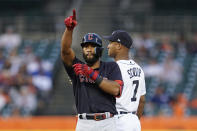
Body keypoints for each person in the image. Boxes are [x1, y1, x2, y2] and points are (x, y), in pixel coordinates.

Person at [61, 9, 123, 131]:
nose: (88, 49)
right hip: (84, 124)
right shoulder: (77, 68)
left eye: (92, 46)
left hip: (107, 122)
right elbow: (65, 51)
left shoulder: (111, 67)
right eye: (85, 46)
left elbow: (116, 89)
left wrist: (91, 74)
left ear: (100, 50)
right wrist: (69, 30)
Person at [104, 30, 146, 131]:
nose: (108, 46)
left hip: (118, 120)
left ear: (118, 46)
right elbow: (142, 101)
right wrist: (134, 120)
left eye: (111, 43)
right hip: (133, 121)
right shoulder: (139, 69)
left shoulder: (113, 68)